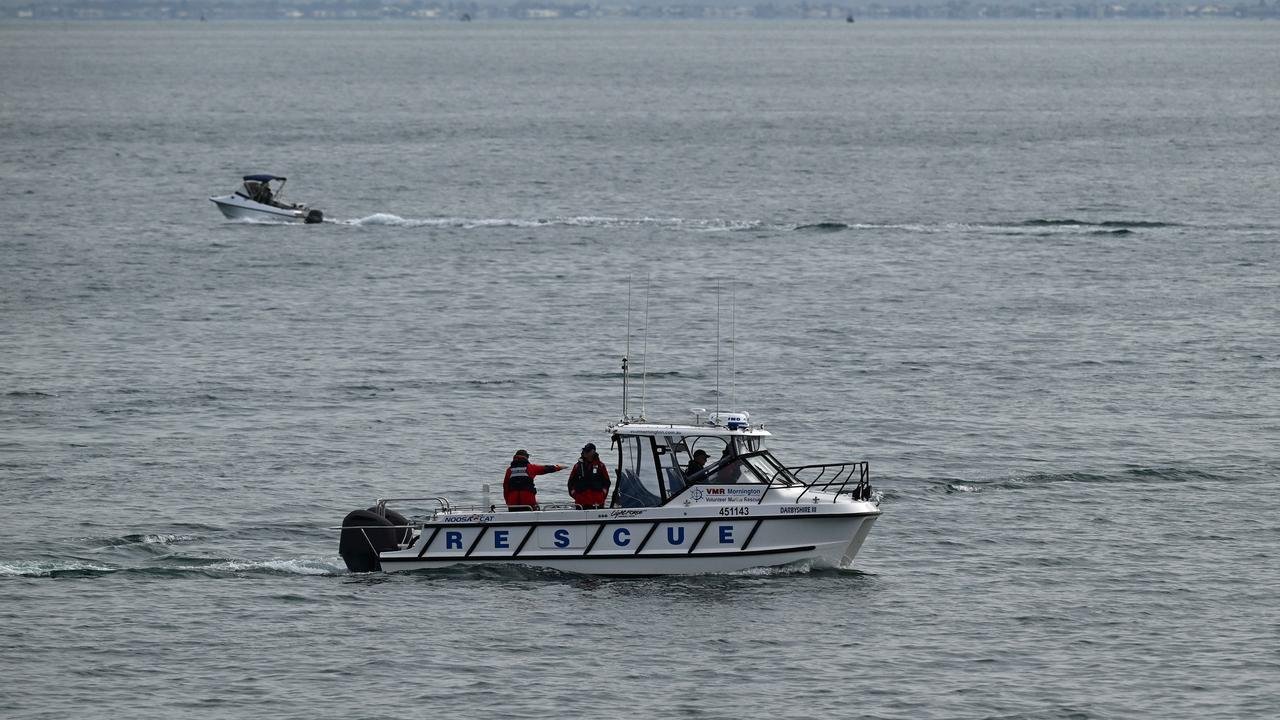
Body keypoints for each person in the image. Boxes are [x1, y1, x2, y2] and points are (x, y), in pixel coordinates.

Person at [567, 443, 611, 509]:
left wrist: (602, 495)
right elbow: (570, 483)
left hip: (597, 502)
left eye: (587, 451)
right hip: (581, 502)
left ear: (593, 452)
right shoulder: (577, 466)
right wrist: (575, 495)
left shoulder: (601, 466)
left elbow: (607, 482)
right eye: (584, 451)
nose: (585, 453)